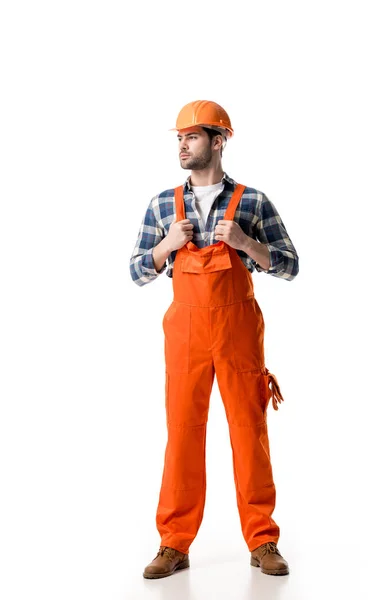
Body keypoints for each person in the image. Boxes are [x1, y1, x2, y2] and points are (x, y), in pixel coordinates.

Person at [129, 100, 299, 579]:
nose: (182, 145)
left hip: (239, 333)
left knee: (250, 434)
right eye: (179, 138)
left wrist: (245, 243)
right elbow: (136, 271)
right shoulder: (164, 204)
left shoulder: (252, 201)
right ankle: (174, 543)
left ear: (219, 140)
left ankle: (263, 539)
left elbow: (289, 264)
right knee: (182, 437)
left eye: (192, 137)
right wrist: (166, 246)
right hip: (184, 335)